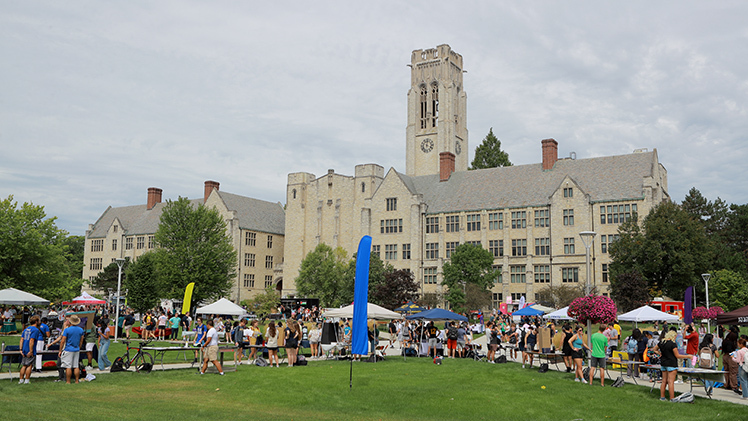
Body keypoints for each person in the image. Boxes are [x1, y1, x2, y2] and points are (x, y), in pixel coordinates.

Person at [653, 330, 693, 401]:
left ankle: (662, 397)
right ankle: (672, 398)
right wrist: (688, 356)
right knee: (671, 382)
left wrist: (660, 353)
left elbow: (654, 349)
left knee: (664, 381)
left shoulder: (662, 342)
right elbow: (677, 355)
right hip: (671, 364)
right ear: (673, 336)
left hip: (663, 363)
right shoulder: (672, 344)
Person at [59, 315, 85, 384]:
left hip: (68, 349)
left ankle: (68, 381)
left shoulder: (67, 330)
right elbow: (81, 341)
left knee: (68, 366)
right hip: (76, 349)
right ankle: (76, 380)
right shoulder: (81, 330)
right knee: (76, 366)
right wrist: (79, 347)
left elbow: (62, 341)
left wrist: (60, 350)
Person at [19, 315, 42, 384]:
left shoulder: (26, 329)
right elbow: (32, 340)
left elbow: (21, 339)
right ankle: (27, 380)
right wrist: (31, 351)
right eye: (39, 321)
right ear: (36, 321)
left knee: (24, 365)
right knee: (29, 365)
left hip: (24, 349)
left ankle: (21, 380)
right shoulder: (35, 330)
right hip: (30, 350)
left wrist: (21, 349)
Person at [721, 326, 740, 393]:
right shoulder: (731, 343)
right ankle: (734, 386)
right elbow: (730, 351)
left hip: (724, 356)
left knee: (726, 371)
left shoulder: (724, 341)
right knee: (733, 372)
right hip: (730, 356)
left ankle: (726, 384)